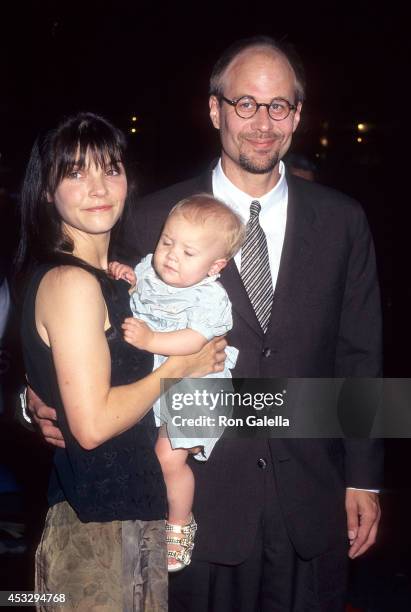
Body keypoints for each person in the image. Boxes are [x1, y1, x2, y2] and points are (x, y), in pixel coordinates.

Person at [29, 36, 383, 612]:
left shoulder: (343, 220)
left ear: (298, 115)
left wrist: (364, 477)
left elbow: (360, 355)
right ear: (215, 108)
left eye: (279, 106)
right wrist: (35, 399)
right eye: (246, 103)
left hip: (313, 506)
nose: (262, 123)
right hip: (191, 510)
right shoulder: (144, 219)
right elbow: (72, 323)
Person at [16, 112, 225, 611]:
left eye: (110, 168)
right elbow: (90, 427)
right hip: (98, 528)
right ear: (46, 191)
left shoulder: (129, 272)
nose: (98, 186)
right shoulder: (72, 283)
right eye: (75, 172)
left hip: (139, 517)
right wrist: (177, 368)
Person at [109, 193, 244, 572]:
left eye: (188, 252)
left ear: (215, 265)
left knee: (169, 458)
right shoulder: (151, 270)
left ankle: (180, 525)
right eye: (167, 241)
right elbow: (136, 295)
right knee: (153, 456)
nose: (170, 255)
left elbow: (195, 342)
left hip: (199, 389)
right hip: (157, 382)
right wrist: (127, 278)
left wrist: (151, 340)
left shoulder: (211, 297)